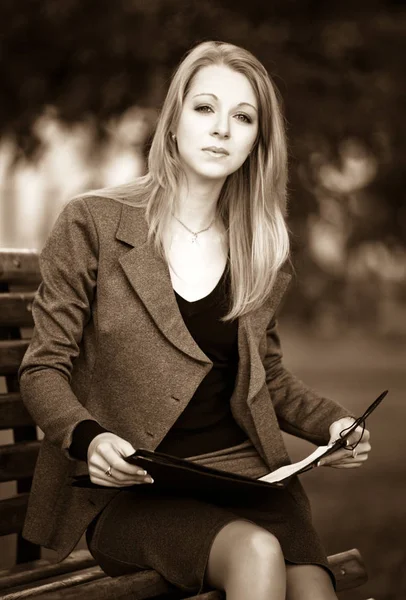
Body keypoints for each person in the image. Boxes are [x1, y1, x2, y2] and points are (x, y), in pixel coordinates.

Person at [19, 40, 371, 600]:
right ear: (173, 121)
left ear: (257, 140)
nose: (222, 129)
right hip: (138, 489)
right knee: (256, 554)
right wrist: (88, 438)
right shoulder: (93, 223)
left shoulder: (262, 246)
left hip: (248, 479)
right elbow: (42, 369)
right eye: (205, 108)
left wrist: (333, 424)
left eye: (243, 116)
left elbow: (267, 377)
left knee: (311, 590)